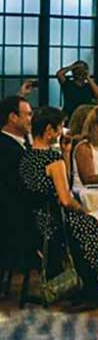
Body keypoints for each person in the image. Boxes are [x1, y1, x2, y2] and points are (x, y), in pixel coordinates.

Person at [20, 106, 98, 305]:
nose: (62, 132)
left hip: (34, 221)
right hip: (57, 224)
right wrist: (84, 211)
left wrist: (65, 152)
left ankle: (95, 284)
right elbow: (66, 199)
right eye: (59, 128)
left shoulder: (27, 157)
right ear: (49, 131)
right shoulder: (52, 160)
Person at [1, 96, 32, 281]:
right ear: (13, 117)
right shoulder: (7, 148)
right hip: (15, 219)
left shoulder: (17, 144)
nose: (31, 119)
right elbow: (25, 187)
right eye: (27, 114)